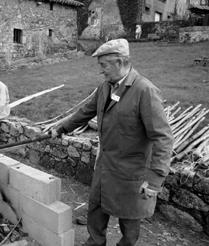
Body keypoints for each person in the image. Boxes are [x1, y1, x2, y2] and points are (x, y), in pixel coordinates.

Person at [50, 39, 173, 246]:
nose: (101, 71)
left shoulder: (145, 91)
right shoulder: (105, 87)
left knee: (129, 221)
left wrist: (155, 179)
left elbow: (162, 137)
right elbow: (85, 113)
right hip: (105, 166)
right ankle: (95, 243)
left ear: (119, 62)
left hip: (130, 172)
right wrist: (62, 128)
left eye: (103, 65)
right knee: (96, 210)